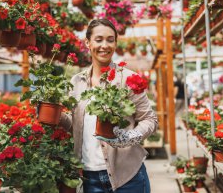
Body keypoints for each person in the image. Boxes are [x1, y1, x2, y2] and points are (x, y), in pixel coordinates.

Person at [59, 19, 158, 193]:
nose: (105, 45)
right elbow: (77, 127)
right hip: (90, 178)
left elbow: (149, 119)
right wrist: (56, 115)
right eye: (99, 40)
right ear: (88, 43)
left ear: (115, 43)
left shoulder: (128, 79)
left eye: (110, 40)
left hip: (128, 177)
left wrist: (131, 136)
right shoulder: (77, 82)